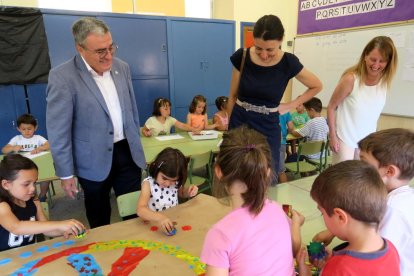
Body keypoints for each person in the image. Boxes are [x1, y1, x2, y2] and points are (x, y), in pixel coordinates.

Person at [46, 17, 146, 228]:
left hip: (127, 153)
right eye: (101, 51)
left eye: (111, 47)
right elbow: (58, 131)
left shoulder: (122, 68)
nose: (108, 55)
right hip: (91, 160)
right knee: (99, 215)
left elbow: (132, 111)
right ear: (80, 48)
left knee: (134, 211)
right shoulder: (62, 77)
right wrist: (65, 173)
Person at [227, 15, 322, 179]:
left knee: (265, 178)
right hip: (240, 121)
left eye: (270, 50)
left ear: (281, 40)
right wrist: (229, 129)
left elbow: (316, 85)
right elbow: (233, 95)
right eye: (258, 48)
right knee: (236, 175)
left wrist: (291, 105)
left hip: (268, 125)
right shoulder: (241, 57)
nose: (263, 55)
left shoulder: (288, 62)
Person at [201, 126, 304, 275]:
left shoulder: (220, 234)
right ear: (267, 172)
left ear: (218, 172)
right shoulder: (277, 210)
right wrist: (295, 223)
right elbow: (294, 248)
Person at [313, 128, 414, 275]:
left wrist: (331, 265)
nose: (358, 167)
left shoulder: (392, 209)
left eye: (364, 163)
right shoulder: (403, 196)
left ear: (389, 172)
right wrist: (332, 231)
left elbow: (370, 259)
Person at [298, 160, 400, 275]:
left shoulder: (339, 268)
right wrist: (334, 260)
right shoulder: (391, 249)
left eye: (323, 213)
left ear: (340, 217)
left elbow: (345, 269)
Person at [327, 36, 398, 164]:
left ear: (388, 62)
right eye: (373, 59)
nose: (376, 65)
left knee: (362, 180)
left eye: (381, 61)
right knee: (343, 180)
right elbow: (331, 107)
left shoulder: (384, 82)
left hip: (367, 141)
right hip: (344, 139)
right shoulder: (350, 79)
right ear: (365, 56)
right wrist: (332, 136)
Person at [0, 154, 85, 251]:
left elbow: (46, 228)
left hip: (26, 255)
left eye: (34, 183)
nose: (33, 188)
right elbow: (16, 227)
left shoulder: (33, 199)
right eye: (26, 184)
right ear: (6, 184)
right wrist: (60, 224)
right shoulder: (2, 205)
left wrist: (64, 230)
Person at [137, 148, 198, 235]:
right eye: (164, 178)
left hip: (172, 221)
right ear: (156, 169)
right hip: (155, 225)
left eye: (173, 180)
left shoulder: (175, 182)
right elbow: (140, 209)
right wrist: (160, 218)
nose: (168, 183)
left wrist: (188, 191)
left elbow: (181, 193)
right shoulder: (148, 184)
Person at [2, 114, 51, 202]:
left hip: (39, 164)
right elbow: (4, 150)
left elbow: (49, 145)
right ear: (18, 129)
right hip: (23, 167)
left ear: (35, 128)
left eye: (29, 129)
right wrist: (13, 148)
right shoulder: (17, 139)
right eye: (23, 129)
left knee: (46, 179)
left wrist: (40, 148)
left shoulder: (38, 138)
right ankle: (29, 197)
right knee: (24, 181)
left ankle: (42, 196)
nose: (27, 131)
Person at [278, 112, 294, 183]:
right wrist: (286, 133)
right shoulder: (286, 111)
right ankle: (284, 192)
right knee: (281, 170)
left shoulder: (266, 107)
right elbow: (291, 128)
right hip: (281, 142)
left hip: (267, 141)